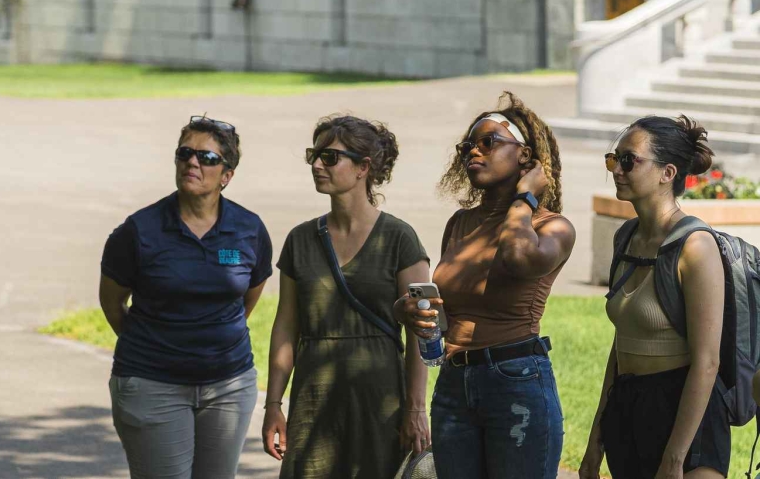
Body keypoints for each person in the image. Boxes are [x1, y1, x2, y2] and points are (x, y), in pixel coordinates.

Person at [399, 92, 576, 479]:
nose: (472, 153)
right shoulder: (460, 223)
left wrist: (524, 198)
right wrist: (411, 313)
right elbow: (450, 310)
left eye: (488, 143)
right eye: (467, 146)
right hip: (453, 383)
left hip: (515, 381)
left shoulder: (553, 227)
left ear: (525, 156)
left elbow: (518, 257)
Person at [99, 116, 273, 479]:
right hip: (152, 384)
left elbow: (248, 297)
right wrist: (158, 345)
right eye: (185, 153)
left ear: (227, 175)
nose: (193, 162)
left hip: (229, 386)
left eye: (207, 158)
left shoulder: (248, 229)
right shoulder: (139, 230)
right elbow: (112, 303)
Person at [262, 115, 431, 479]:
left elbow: (422, 330)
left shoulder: (400, 238)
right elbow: (286, 328)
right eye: (314, 155)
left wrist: (416, 409)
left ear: (362, 168)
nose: (317, 166)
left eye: (330, 157)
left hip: (380, 399)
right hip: (314, 399)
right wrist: (273, 405)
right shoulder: (300, 239)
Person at [579, 116, 727, 479]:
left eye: (629, 160)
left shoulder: (696, 247)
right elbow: (621, 347)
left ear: (667, 173)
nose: (617, 169)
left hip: (684, 415)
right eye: (614, 159)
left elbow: (707, 363)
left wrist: (675, 458)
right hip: (628, 409)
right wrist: (596, 439)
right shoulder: (625, 238)